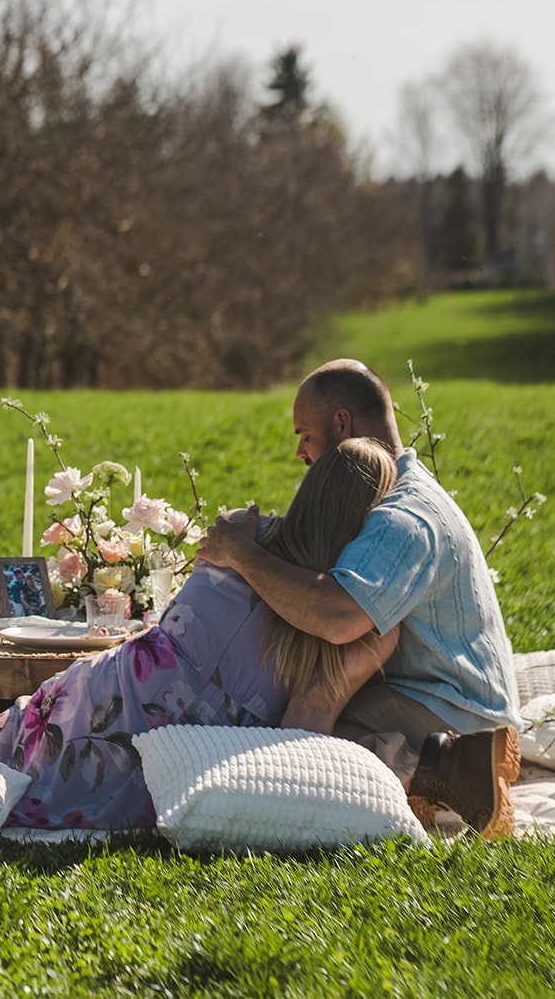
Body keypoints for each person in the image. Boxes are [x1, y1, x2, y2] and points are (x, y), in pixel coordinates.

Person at [0, 439, 399, 830]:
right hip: (179, 740)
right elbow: (309, 718)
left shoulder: (242, 532)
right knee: (6, 784)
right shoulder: (354, 623)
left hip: (116, 691)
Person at [196, 358, 522, 838]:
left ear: (342, 424)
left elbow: (339, 616)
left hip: (452, 708)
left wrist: (243, 556)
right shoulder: (395, 492)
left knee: (285, 738)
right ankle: (428, 770)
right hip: (434, 692)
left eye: (304, 435)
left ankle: (451, 766)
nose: (301, 454)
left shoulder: (403, 516)